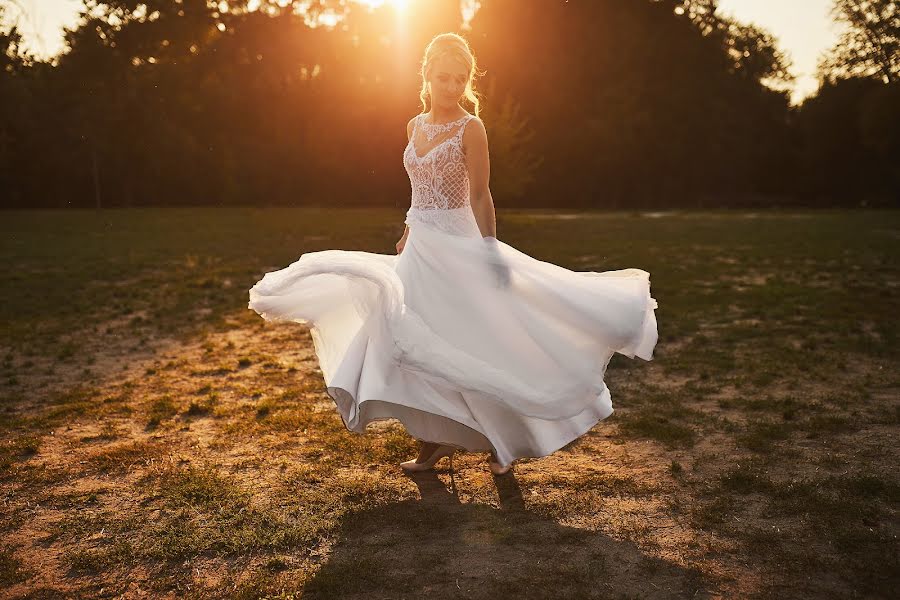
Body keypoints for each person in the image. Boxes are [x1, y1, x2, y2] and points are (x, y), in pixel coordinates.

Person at [248, 32, 658, 477]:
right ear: (427, 75)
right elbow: (416, 188)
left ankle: (505, 442)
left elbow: (481, 195)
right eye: (443, 78)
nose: (451, 87)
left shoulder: (471, 128)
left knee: (475, 342)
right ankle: (432, 443)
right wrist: (407, 230)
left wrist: (490, 250)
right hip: (420, 247)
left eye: (460, 79)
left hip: (459, 245)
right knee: (417, 343)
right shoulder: (413, 125)